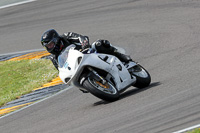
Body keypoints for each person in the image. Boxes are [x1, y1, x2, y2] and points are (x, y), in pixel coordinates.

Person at [41, 29, 132, 70]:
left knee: (100, 43)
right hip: (76, 66)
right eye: (48, 46)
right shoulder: (53, 58)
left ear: (56, 40)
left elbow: (82, 38)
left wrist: (84, 45)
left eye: (51, 44)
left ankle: (121, 56)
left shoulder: (66, 36)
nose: (50, 47)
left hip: (87, 53)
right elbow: (61, 70)